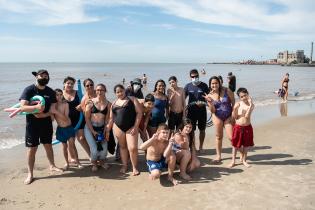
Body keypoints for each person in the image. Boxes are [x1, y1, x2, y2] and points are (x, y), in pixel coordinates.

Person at [19, 69, 62, 185]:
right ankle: (30, 174)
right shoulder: (29, 90)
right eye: (42, 76)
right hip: (32, 125)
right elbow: (22, 107)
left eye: (46, 76)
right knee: (32, 149)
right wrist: (35, 110)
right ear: (36, 77)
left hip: (46, 123)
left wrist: (45, 114)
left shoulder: (50, 92)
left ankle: (52, 166)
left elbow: (53, 109)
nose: (44, 78)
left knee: (48, 145)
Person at [107, 84, 142, 175]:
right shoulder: (113, 103)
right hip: (118, 128)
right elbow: (111, 119)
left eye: (121, 91)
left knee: (133, 148)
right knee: (123, 147)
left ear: (124, 91)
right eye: (117, 92)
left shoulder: (132, 99)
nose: (120, 93)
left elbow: (139, 113)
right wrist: (107, 130)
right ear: (115, 93)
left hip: (131, 127)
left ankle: (134, 167)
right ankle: (125, 165)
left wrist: (135, 126)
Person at [204, 76, 235, 163]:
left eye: (216, 83)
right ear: (210, 85)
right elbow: (213, 110)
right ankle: (218, 156)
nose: (214, 85)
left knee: (231, 137)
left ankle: (236, 154)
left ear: (219, 83)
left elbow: (233, 102)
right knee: (219, 137)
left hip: (228, 116)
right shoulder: (209, 95)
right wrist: (209, 102)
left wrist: (233, 114)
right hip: (217, 116)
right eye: (212, 83)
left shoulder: (227, 90)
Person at [62, 76, 90, 161]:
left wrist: (82, 105)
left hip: (79, 119)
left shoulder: (78, 93)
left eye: (71, 83)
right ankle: (73, 158)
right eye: (68, 83)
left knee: (81, 138)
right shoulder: (60, 94)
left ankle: (91, 155)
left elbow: (88, 100)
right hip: (66, 121)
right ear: (64, 84)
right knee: (71, 141)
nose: (70, 85)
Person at [84, 84, 111, 172]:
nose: (99, 92)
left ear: (105, 91)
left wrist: (105, 130)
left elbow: (107, 119)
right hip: (89, 127)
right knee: (94, 150)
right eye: (98, 90)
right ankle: (94, 163)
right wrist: (92, 131)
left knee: (104, 149)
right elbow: (87, 118)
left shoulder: (108, 104)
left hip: (101, 128)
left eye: (101, 90)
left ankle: (102, 162)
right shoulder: (90, 102)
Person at [53, 89, 82, 169]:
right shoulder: (53, 106)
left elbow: (65, 118)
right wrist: (51, 111)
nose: (59, 96)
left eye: (60, 94)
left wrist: (55, 111)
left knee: (72, 145)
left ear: (62, 95)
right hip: (60, 129)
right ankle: (66, 163)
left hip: (68, 127)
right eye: (57, 95)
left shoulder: (65, 104)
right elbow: (52, 119)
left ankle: (78, 162)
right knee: (64, 146)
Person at [228, 87, 254, 168]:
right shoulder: (238, 104)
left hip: (247, 127)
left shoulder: (252, 105)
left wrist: (250, 105)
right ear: (239, 97)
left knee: (246, 145)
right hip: (238, 127)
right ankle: (233, 161)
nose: (244, 98)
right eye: (241, 97)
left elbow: (247, 116)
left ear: (248, 94)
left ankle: (244, 160)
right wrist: (235, 109)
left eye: (245, 95)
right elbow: (235, 117)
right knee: (235, 145)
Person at [184, 69, 209, 153]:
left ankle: (201, 147)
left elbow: (210, 98)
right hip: (191, 112)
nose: (195, 78)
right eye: (193, 76)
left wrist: (204, 103)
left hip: (202, 111)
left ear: (199, 75)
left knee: (202, 130)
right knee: (191, 130)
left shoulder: (204, 85)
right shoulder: (188, 86)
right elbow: (182, 98)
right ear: (190, 77)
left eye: (196, 76)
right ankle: (193, 146)